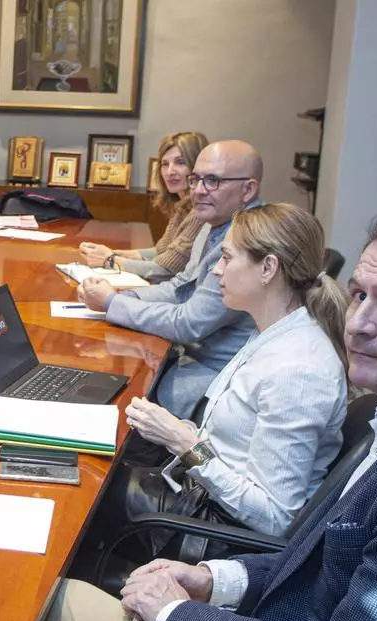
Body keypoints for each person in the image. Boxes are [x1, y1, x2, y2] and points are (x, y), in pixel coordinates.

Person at [27, 208, 377, 621]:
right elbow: (318, 562)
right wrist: (215, 581)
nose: (359, 324)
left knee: (43, 605)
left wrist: (174, 614)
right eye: (359, 296)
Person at [114, 203, 349, 545]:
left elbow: (274, 517)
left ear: (268, 268)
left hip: (216, 534)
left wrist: (184, 443)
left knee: (84, 494)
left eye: (226, 258)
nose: (216, 272)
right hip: (201, 497)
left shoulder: (298, 371)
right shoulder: (273, 331)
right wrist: (186, 434)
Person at [78, 140, 261, 419]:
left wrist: (113, 303)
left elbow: (189, 323)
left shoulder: (248, 239)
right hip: (190, 357)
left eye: (212, 181)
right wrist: (121, 298)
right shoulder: (216, 223)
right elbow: (180, 287)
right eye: (196, 179)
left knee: (112, 392)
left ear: (248, 189)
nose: (198, 190)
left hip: (219, 378)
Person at [79, 132, 208, 282]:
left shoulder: (199, 211)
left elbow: (165, 269)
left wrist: (109, 260)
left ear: (198, 167)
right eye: (165, 164)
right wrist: (113, 253)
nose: (170, 171)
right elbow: (161, 252)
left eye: (180, 162)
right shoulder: (182, 206)